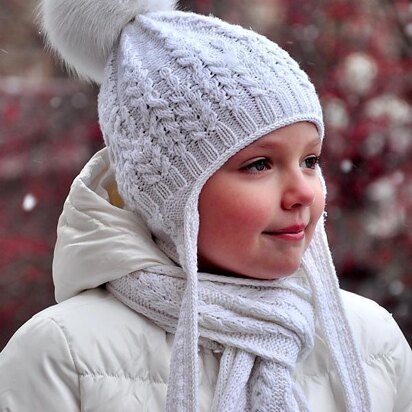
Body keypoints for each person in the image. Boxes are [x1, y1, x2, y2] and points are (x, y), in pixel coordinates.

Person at [0, 0, 411, 410]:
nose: (303, 191)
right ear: (166, 195)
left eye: (310, 161)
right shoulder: (63, 356)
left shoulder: (369, 340)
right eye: (259, 164)